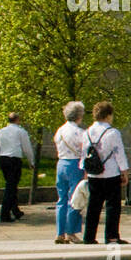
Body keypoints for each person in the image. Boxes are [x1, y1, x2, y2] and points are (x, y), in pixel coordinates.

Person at [82, 101, 130, 244]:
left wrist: (85, 170)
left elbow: (84, 153)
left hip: (94, 173)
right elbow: (119, 153)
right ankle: (111, 235)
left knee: (93, 205)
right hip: (110, 172)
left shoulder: (87, 132)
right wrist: (124, 171)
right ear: (108, 115)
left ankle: (89, 236)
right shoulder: (112, 132)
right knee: (112, 206)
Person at [0, 112, 35, 224]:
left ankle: (16, 211)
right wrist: (31, 161)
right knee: (11, 187)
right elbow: (27, 148)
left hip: (3, 159)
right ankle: (4, 214)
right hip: (14, 159)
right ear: (17, 120)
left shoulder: (1, 132)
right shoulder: (21, 132)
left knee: (11, 184)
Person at [53, 101, 86, 244]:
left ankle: (60, 232)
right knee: (75, 199)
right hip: (75, 164)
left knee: (61, 199)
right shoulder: (80, 132)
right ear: (79, 115)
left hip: (61, 163)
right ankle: (71, 231)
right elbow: (84, 150)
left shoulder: (59, 130)